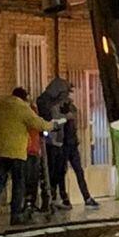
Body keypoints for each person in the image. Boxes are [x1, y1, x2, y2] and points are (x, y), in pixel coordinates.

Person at [0, 88, 59, 225]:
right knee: (18, 184)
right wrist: (53, 126)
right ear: (24, 98)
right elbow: (38, 124)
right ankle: (15, 216)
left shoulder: (1, 106)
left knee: (0, 181)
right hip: (16, 151)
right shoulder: (22, 108)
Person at [59, 91, 99, 208]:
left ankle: (86, 197)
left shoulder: (71, 107)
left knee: (78, 172)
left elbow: (76, 121)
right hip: (64, 145)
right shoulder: (60, 108)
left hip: (71, 144)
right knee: (62, 173)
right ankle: (64, 198)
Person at [37, 78, 71, 208]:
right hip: (50, 141)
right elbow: (50, 121)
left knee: (59, 170)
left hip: (59, 141)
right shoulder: (45, 102)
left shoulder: (58, 102)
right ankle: (49, 198)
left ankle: (56, 196)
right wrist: (64, 118)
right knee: (50, 171)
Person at [23, 101, 50, 214]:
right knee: (32, 179)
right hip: (31, 151)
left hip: (31, 151)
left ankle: (31, 203)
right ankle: (30, 203)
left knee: (32, 179)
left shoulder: (28, 119)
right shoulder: (31, 119)